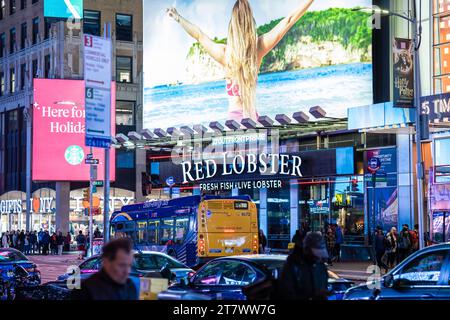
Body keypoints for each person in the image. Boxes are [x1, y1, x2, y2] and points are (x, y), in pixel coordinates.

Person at [167, 0, 315, 122]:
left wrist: (178, 17)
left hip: (233, 123)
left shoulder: (224, 54)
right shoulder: (258, 48)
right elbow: (288, 21)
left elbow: (199, 35)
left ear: (232, 26)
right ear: (251, 22)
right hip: (252, 120)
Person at [71, 238, 139, 300]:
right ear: (106, 261)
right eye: (122, 265)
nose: (127, 271)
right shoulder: (85, 290)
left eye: (129, 265)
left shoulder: (130, 286)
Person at [277, 232, 329, 300]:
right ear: (307, 250)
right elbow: (286, 292)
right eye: (316, 254)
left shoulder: (321, 266)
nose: (318, 257)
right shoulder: (292, 265)